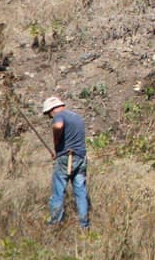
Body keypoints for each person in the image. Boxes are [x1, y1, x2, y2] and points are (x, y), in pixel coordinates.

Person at [43, 96, 90, 230]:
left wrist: (57, 145)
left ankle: (55, 224)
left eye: (48, 115)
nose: (50, 117)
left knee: (58, 192)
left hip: (66, 158)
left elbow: (58, 126)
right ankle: (84, 226)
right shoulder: (77, 117)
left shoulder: (59, 116)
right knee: (81, 193)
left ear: (52, 110)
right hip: (81, 158)